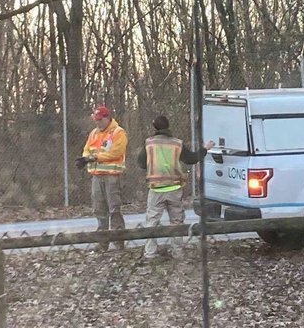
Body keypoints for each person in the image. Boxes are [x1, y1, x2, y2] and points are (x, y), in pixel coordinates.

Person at [138, 114, 214, 258]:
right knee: (177, 221)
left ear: (155, 127)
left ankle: (150, 252)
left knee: (152, 221)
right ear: (168, 126)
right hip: (174, 188)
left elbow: (141, 163)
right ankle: (178, 252)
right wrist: (205, 149)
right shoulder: (176, 143)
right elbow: (191, 159)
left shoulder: (149, 144)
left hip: (156, 189)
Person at [76, 105, 128, 248]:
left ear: (107, 118)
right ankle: (102, 242)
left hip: (112, 176)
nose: (97, 123)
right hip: (97, 176)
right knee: (99, 209)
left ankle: (118, 241)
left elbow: (116, 153)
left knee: (114, 209)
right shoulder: (94, 133)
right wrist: (84, 158)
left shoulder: (118, 132)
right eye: (95, 120)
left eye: (99, 120)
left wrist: (93, 158)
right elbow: (87, 149)